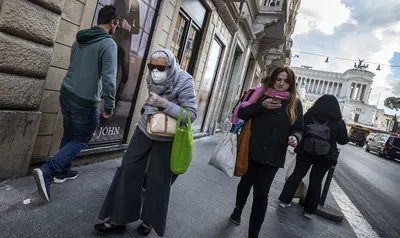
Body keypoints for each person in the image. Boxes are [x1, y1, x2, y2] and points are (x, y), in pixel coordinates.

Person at [94, 49, 197, 237]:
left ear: (171, 66)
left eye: (161, 67)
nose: (156, 70)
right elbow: (150, 100)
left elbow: (191, 115)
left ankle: (150, 220)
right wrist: (146, 110)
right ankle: (118, 218)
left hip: (167, 136)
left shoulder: (185, 80)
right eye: (152, 66)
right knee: (127, 169)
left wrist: (165, 105)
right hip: (145, 129)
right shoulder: (151, 77)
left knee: (158, 179)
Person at [32, 5, 120, 202]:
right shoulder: (108, 44)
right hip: (85, 101)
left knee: (70, 134)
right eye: (117, 24)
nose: (117, 29)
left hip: (67, 93)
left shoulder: (81, 39)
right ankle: (48, 170)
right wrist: (109, 106)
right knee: (80, 139)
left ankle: (63, 172)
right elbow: (109, 80)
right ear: (113, 22)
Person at [229, 66, 304, 238]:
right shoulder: (259, 94)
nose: (281, 84)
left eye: (286, 81)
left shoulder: (295, 104)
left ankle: (253, 234)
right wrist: (261, 106)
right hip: (251, 151)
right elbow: (241, 112)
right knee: (245, 184)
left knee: (262, 194)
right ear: (273, 79)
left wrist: (295, 137)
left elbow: (299, 128)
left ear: (291, 84)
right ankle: (238, 209)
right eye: (278, 79)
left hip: (273, 156)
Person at [278, 94, 349, 219]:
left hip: (306, 151)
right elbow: (343, 140)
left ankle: (284, 201)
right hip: (326, 156)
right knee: (316, 181)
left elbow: (301, 130)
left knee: (297, 174)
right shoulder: (338, 122)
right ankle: (309, 211)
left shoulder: (309, 116)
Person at [114, 0, 140, 104]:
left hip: (126, 42)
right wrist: (119, 23)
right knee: (110, 69)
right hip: (114, 37)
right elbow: (112, 15)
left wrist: (129, 27)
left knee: (125, 74)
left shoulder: (136, 4)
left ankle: (116, 99)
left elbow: (137, 29)